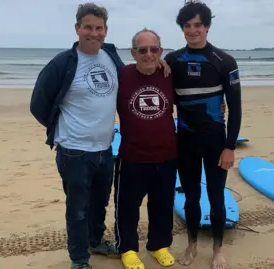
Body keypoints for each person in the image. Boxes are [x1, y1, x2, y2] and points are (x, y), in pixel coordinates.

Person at [30, 3, 124, 269]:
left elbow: (131, 81)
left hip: (106, 148)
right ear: (77, 28)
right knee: (77, 210)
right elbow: (39, 104)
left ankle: (95, 241)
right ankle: (79, 259)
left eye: (99, 28)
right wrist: (63, 130)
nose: (94, 33)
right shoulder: (63, 62)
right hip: (74, 152)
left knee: (99, 203)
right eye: (88, 27)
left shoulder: (111, 57)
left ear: (105, 30)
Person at [164, 1, 242, 269]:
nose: (193, 30)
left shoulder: (224, 61)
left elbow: (236, 108)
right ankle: (192, 245)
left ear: (207, 26)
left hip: (215, 142)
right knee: (191, 197)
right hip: (185, 141)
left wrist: (230, 147)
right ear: (182, 28)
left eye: (198, 24)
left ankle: (218, 251)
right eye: (187, 25)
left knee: (217, 196)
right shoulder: (172, 61)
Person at [113, 29, 177, 269]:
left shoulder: (170, 75)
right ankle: (127, 249)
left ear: (161, 52)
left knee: (162, 205)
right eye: (142, 50)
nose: (148, 54)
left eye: (154, 49)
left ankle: (159, 245)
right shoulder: (121, 75)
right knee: (127, 207)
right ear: (133, 53)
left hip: (167, 156)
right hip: (132, 157)